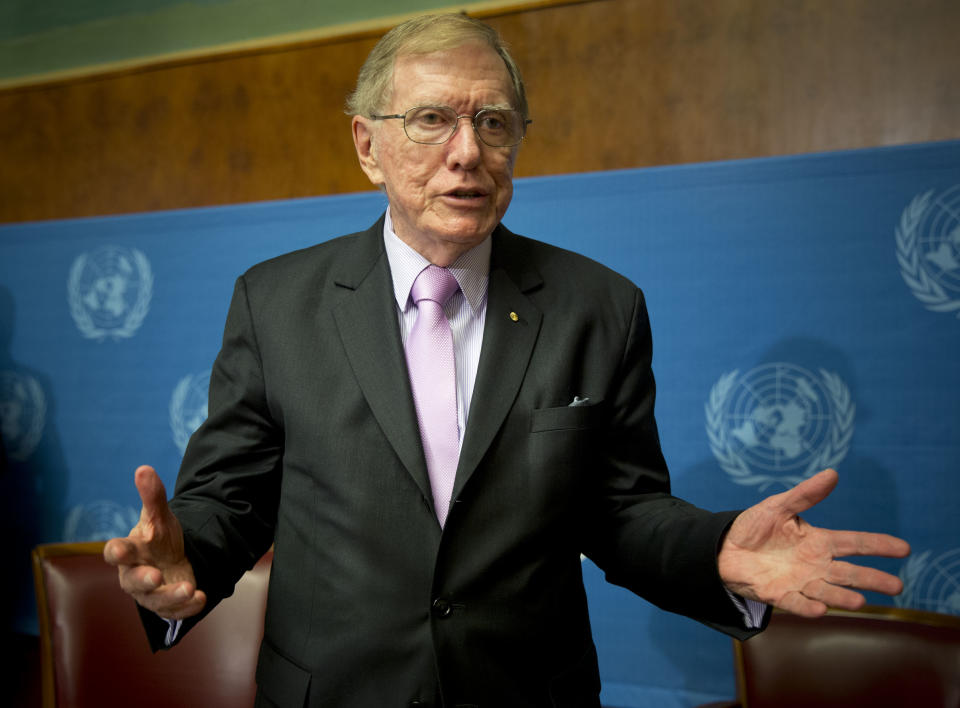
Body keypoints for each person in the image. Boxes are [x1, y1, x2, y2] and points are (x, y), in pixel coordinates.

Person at [104, 13, 909, 708]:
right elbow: (232, 503)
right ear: (368, 145)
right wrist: (186, 561)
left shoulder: (600, 307)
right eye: (431, 119)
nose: (468, 152)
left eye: (495, 122)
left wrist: (718, 551)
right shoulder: (274, 302)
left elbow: (621, 512)